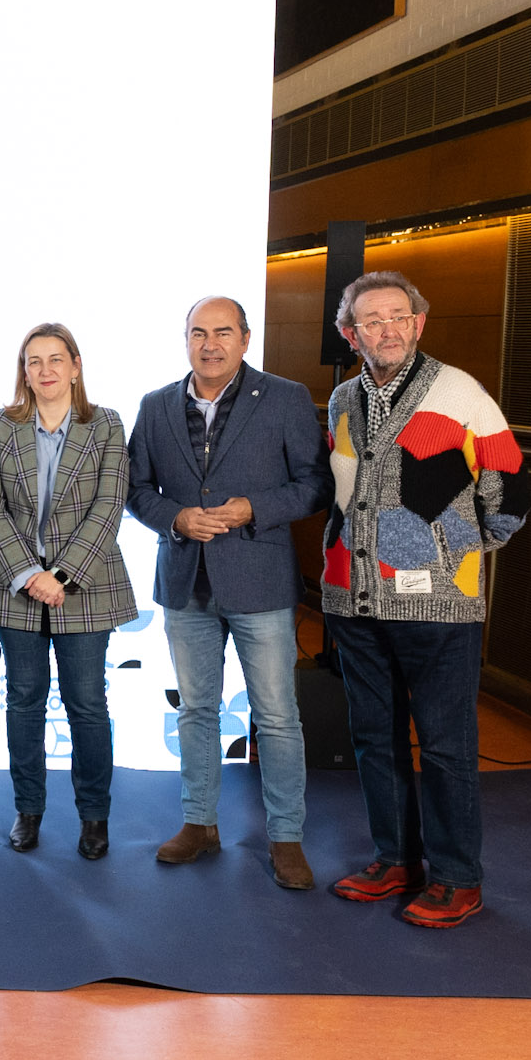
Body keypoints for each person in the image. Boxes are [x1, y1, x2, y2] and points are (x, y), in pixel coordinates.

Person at [321, 271, 529, 928]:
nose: (386, 329)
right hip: (354, 599)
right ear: (350, 334)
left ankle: (457, 877)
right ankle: (396, 859)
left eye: (397, 316)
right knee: (374, 739)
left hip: (438, 606)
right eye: (370, 320)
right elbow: (344, 488)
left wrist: (446, 553)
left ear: (418, 323)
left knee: (444, 745)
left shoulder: (459, 391)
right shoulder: (343, 398)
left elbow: (510, 490)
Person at [127, 296, 332, 888]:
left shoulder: (286, 398)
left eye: (222, 332)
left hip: (260, 582)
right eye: (199, 333)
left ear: (245, 339)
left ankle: (286, 837)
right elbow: (135, 488)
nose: (210, 344)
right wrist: (175, 518)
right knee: (196, 710)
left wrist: (253, 509)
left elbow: (316, 484)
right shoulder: (156, 404)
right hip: (186, 582)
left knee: (277, 717)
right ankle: (199, 823)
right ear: (185, 339)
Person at [0, 323, 137, 860]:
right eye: (34, 361)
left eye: (55, 359)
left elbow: (109, 506)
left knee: (87, 704)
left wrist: (60, 576)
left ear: (75, 366)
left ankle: (94, 817)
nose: (45, 370)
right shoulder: (3, 425)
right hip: (15, 585)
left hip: (85, 586)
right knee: (24, 703)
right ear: (24, 372)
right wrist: (27, 574)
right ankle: (28, 810)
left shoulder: (106, 424)